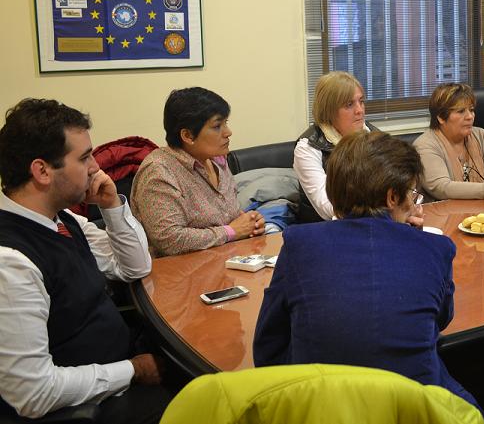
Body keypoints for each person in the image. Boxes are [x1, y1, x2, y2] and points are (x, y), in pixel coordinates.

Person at [253, 132, 484, 421]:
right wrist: (411, 241)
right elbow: (438, 320)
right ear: (392, 197)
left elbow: (268, 346)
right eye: (412, 194)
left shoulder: (300, 243)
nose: (415, 204)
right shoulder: (435, 248)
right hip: (415, 406)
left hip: (317, 406)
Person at [0, 99, 170, 422]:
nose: (95, 167)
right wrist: (132, 371)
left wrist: (111, 206)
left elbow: (136, 266)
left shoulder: (62, 219)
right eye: (84, 157)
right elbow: (33, 393)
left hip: (119, 365)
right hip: (92, 406)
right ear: (42, 171)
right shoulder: (10, 263)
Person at [131, 87, 264, 257]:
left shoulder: (217, 159)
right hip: (178, 274)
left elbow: (225, 215)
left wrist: (250, 222)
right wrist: (231, 232)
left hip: (225, 262)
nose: (228, 133)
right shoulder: (159, 171)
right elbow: (169, 240)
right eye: (217, 126)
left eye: (226, 123)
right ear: (188, 136)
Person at [414, 83, 484, 201]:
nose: (470, 116)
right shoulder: (425, 145)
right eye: (461, 111)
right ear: (441, 117)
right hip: (444, 216)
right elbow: (442, 188)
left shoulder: (481, 136)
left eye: (471, 110)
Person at [294, 71, 379, 223]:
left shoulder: (373, 135)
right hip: (325, 231)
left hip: (373, 221)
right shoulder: (308, 147)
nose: (360, 110)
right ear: (329, 111)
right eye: (349, 104)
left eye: (361, 101)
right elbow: (327, 206)